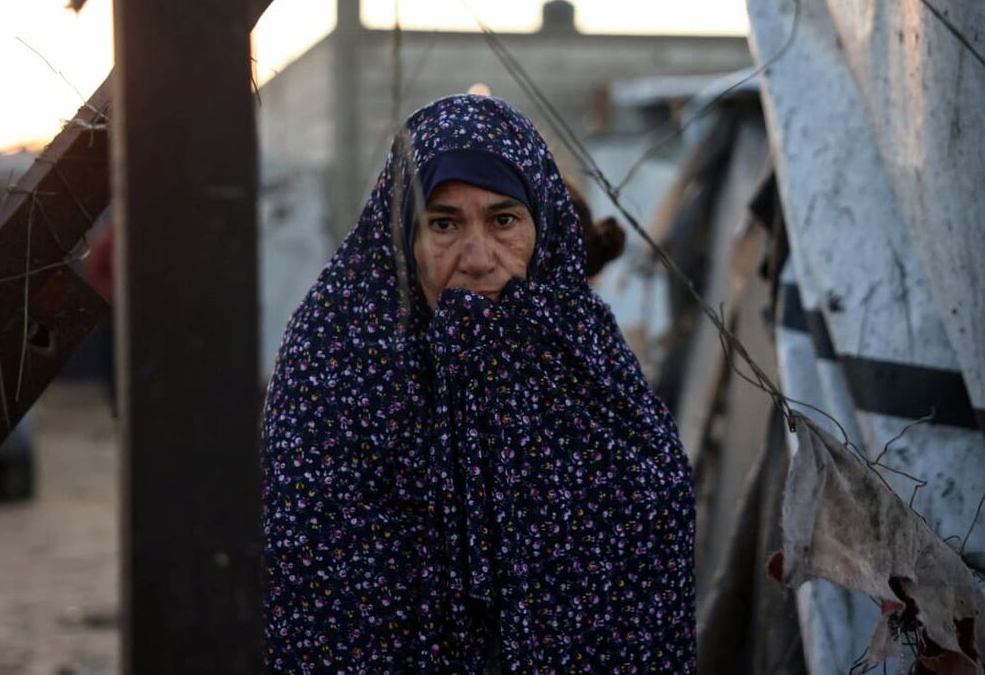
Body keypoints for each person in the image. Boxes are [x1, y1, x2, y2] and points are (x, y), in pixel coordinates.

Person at [263, 94, 695, 672]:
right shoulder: (338, 358)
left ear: (543, 231)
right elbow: (316, 579)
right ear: (400, 239)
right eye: (443, 224)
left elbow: (648, 524)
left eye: (503, 221)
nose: (478, 257)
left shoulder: (579, 356)